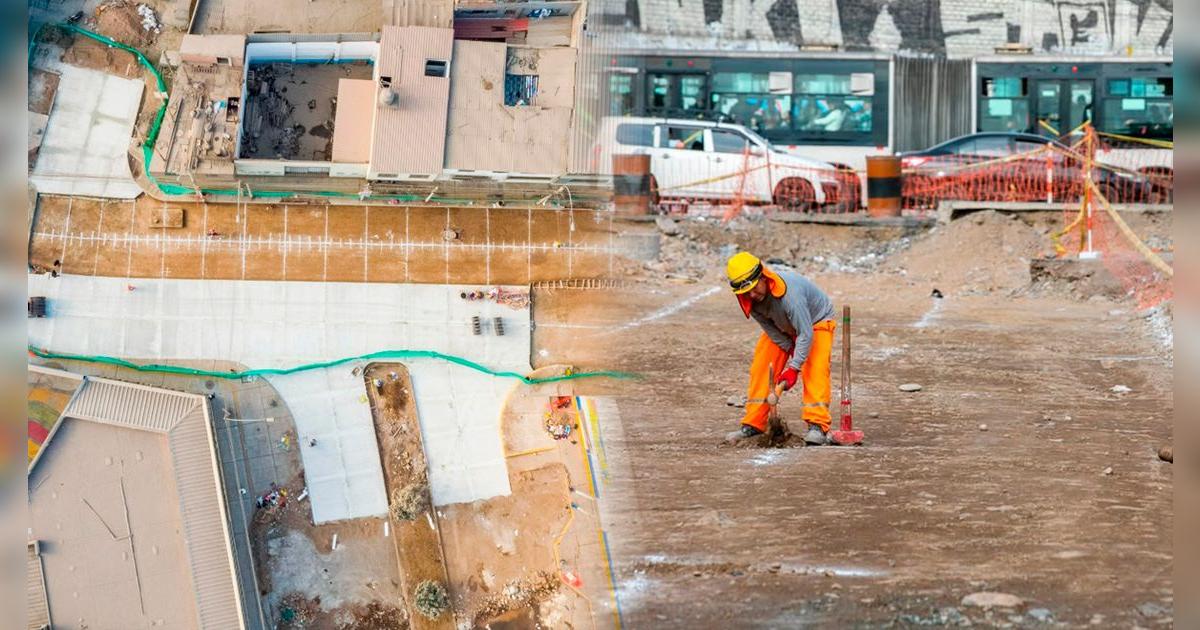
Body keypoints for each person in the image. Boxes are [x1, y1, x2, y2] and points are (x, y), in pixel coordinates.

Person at [725, 252, 837, 445]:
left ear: (763, 277)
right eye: (746, 292)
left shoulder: (790, 296)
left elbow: (805, 333)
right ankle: (754, 424)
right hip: (782, 327)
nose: (752, 295)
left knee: (815, 367)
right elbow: (771, 331)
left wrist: (794, 368)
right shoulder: (750, 300)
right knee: (762, 364)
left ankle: (817, 425)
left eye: (754, 288)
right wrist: (791, 349)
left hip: (815, 322)